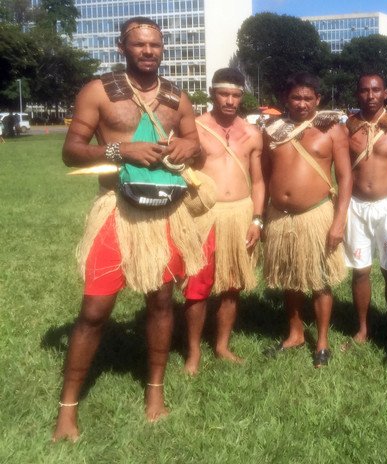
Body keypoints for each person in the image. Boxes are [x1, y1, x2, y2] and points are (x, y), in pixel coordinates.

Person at [53, 16, 202, 442]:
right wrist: (122, 149)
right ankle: (67, 408)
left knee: (160, 304)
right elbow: (71, 152)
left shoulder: (177, 97)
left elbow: (198, 149)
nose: (148, 51)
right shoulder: (98, 91)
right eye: (139, 45)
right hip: (116, 211)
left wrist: (190, 145)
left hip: (165, 213)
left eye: (155, 45)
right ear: (123, 47)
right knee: (94, 311)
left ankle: (155, 392)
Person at [261, 72, 352, 367]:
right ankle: (295, 333)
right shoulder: (272, 130)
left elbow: (346, 177)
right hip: (279, 216)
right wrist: (260, 216)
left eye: (308, 98)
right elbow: (262, 175)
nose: (301, 103)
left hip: (316, 214)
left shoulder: (334, 131)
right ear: (287, 99)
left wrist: (339, 221)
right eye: (296, 97)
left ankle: (322, 341)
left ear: (318, 100)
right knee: (289, 277)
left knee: (319, 279)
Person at [182, 68, 264, 375]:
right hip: (206, 216)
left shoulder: (253, 133)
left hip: (241, 214)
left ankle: (221, 345)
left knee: (232, 285)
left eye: (235, 95)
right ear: (212, 93)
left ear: (242, 96)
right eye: (223, 94)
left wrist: (257, 220)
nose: (229, 101)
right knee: (197, 286)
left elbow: (258, 182)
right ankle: (192, 352)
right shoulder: (196, 129)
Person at [343, 73, 387, 352]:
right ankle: (363, 328)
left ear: (386, 92)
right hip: (356, 206)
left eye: (376, 90)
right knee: (360, 271)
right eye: (364, 90)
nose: (370, 95)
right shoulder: (348, 127)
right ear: (358, 94)